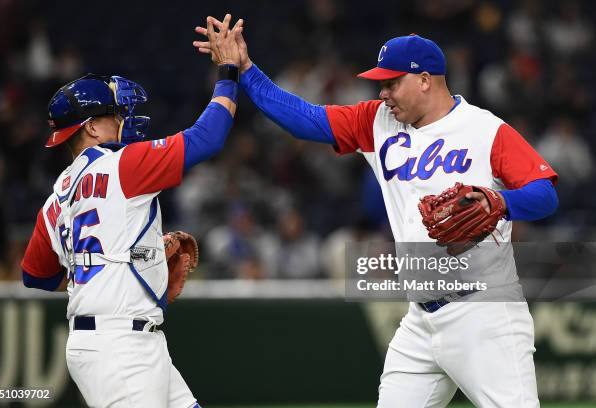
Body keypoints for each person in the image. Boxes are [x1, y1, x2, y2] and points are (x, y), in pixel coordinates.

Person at [194, 20, 559, 407]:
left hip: (484, 314)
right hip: (420, 318)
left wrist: (501, 203)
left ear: (424, 80)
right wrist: (246, 70)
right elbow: (304, 118)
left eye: (391, 83)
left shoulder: (484, 130)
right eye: (380, 84)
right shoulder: (378, 122)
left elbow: (545, 193)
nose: (383, 93)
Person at [20, 14, 243, 408]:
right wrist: (228, 71)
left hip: (122, 341)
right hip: (120, 348)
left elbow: (36, 276)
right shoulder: (122, 164)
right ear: (90, 128)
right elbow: (208, 138)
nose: (125, 120)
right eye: (114, 115)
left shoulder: (55, 199)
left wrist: (133, 261)